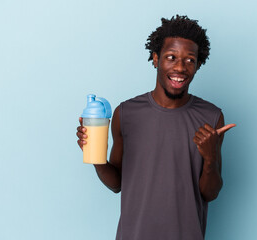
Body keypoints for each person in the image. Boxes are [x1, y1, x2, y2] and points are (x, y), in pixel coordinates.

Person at [76, 15, 235, 240]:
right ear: (155, 59)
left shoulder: (212, 117)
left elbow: (210, 193)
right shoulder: (126, 113)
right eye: (171, 57)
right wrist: (95, 157)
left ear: (198, 65)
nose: (180, 67)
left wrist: (209, 159)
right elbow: (116, 184)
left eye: (190, 60)